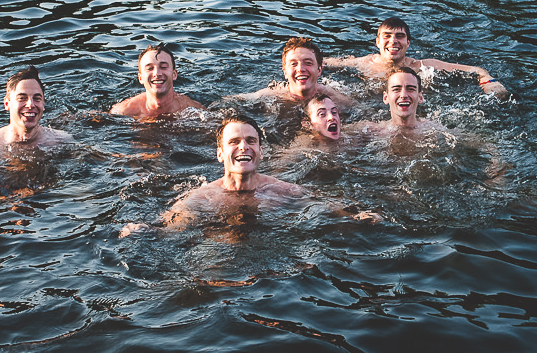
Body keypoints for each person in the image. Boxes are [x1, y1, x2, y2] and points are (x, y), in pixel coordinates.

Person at [121, 113, 378, 234]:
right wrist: (143, 229)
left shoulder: (281, 189)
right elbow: (170, 226)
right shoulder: (202, 197)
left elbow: (324, 204)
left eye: (250, 141)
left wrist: (357, 215)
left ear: (261, 152)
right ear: (220, 153)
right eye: (234, 142)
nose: (243, 147)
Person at [327, 17, 509, 98]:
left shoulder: (423, 66)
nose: (393, 42)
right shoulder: (363, 63)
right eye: (387, 36)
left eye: (399, 36)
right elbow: (324, 62)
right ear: (377, 42)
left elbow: (475, 70)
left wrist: (489, 81)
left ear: (408, 43)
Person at [231, 35, 350, 107]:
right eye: (294, 64)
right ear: (285, 72)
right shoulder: (271, 96)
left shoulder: (335, 98)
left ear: (319, 70)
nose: (301, 69)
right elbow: (237, 100)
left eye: (308, 63)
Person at [347, 66, 451, 140]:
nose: (404, 95)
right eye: (396, 89)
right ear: (385, 98)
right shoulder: (369, 130)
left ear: (420, 97)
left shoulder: (434, 131)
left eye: (410, 89)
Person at [110, 43, 203, 119]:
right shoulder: (123, 111)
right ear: (140, 78)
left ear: (174, 74)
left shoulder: (193, 110)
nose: (157, 73)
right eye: (149, 68)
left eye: (164, 67)